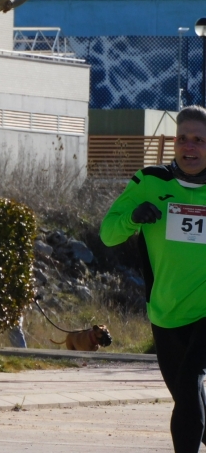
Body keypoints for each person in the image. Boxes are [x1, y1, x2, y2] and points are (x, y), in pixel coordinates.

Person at [101, 105, 206, 453]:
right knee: (188, 399)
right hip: (166, 311)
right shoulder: (149, 181)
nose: (189, 147)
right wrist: (133, 216)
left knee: (191, 387)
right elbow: (108, 234)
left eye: (200, 140)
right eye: (182, 138)